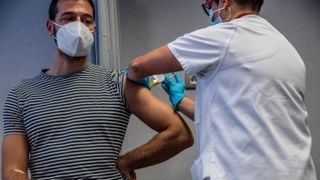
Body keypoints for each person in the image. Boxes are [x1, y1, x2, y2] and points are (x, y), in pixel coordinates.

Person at [1, 0, 194, 179]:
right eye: (68, 19)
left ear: (93, 29)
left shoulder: (119, 83)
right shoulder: (21, 96)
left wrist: (127, 161)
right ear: (51, 27)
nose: (78, 28)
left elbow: (179, 134)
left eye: (86, 20)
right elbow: (13, 169)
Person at [127, 0, 317, 179]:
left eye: (209, 6)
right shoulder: (287, 49)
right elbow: (237, 116)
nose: (210, 12)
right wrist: (180, 100)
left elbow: (137, 66)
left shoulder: (226, 36)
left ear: (225, 3)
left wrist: (134, 78)